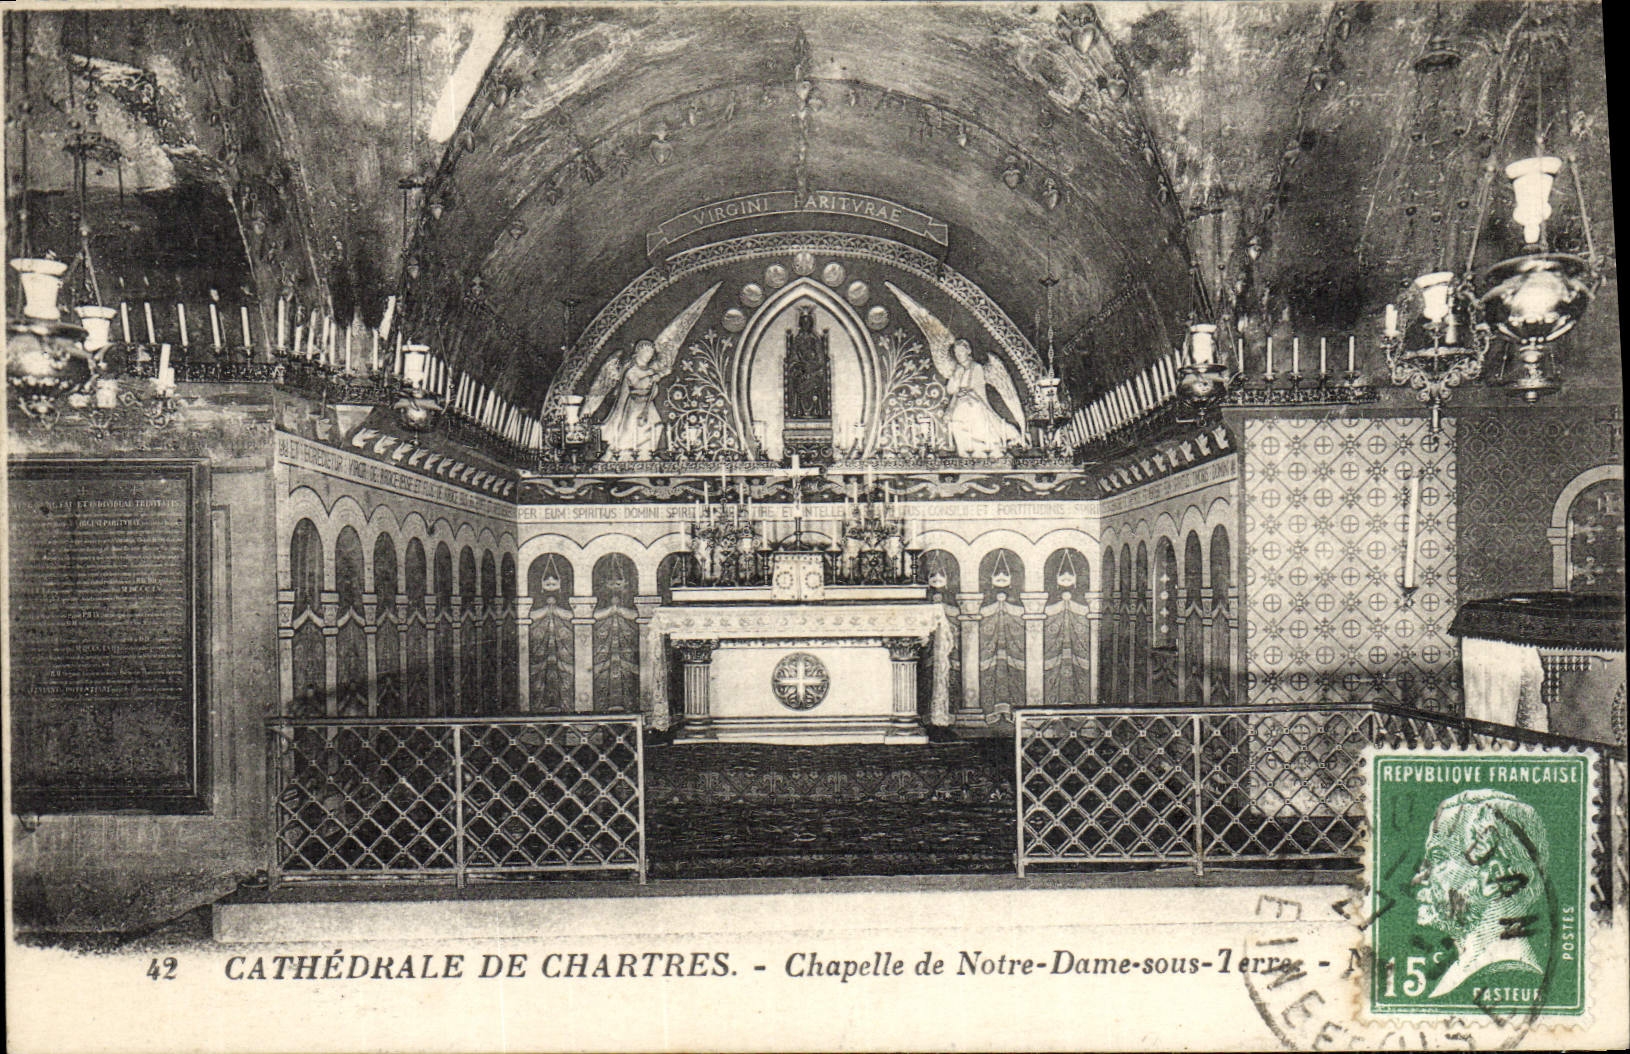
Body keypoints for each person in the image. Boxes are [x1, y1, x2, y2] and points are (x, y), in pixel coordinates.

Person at [1412, 788, 1550, 998]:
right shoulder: (1465, 972)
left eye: (1438, 857)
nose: (1419, 876)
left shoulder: (1507, 975)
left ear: (1492, 877)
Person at [944, 339, 1026, 458]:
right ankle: (965, 454)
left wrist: (967, 391)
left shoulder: (976, 367)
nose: (959, 355)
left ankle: (985, 453)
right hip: (960, 404)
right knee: (956, 422)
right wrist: (955, 378)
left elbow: (977, 388)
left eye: (961, 351)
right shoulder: (958, 370)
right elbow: (951, 390)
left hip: (975, 403)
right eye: (956, 353)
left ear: (968, 351)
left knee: (978, 424)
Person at [598, 340, 667, 460]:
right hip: (634, 405)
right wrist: (654, 378)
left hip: (647, 404)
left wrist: (653, 383)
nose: (649, 355)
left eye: (651, 353)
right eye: (646, 352)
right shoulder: (631, 369)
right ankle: (626, 454)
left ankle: (646, 455)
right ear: (638, 352)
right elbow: (637, 383)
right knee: (631, 429)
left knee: (656, 426)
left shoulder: (650, 371)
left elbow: (653, 390)